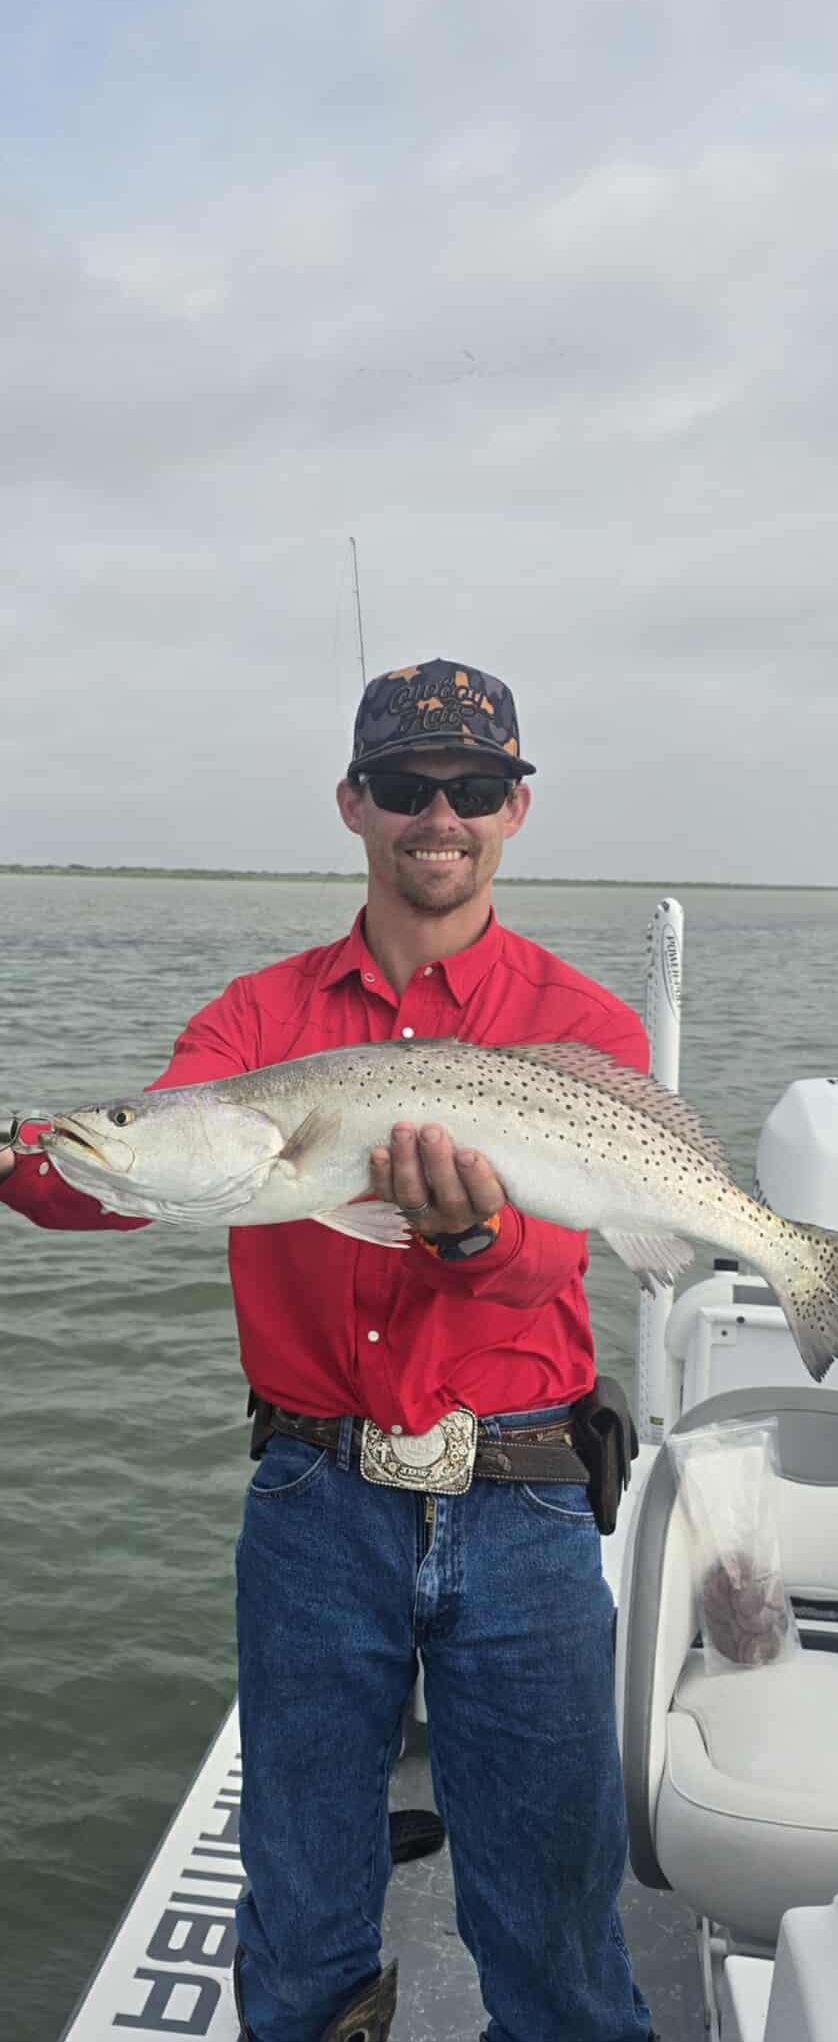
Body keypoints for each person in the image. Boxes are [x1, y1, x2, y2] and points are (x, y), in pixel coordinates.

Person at [2, 659, 658, 2042]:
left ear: (514, 810)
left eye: (473, 788)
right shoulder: (258, 1024)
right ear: (353, 802)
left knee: (553, 1938)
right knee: (297, 1929)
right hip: (315, 1504)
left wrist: (470, 1241)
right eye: (408, 787)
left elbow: (559, 1257)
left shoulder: (581, 1023)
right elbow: (135, 1168)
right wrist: (32, 1153)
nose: (441, 817)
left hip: (527, 1503)